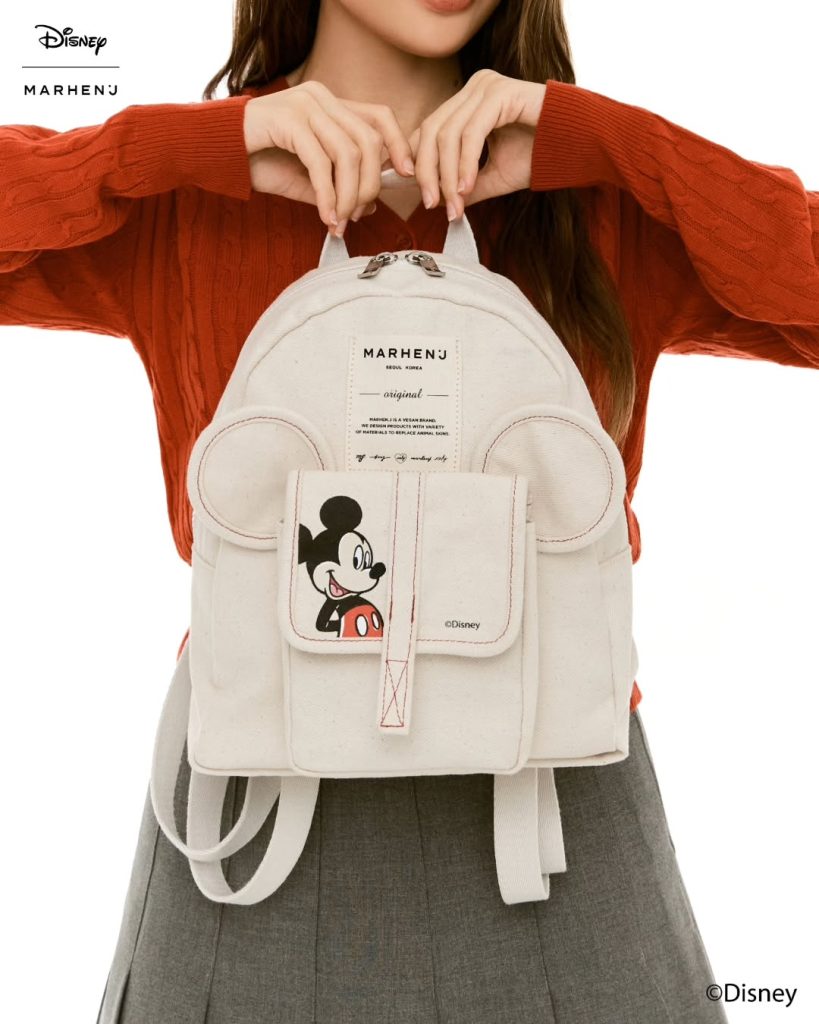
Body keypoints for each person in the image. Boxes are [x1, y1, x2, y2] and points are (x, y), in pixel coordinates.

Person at [2, 1, 817, 1021]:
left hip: (558, 809)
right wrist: (190, 146)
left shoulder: (594, 196)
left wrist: (613, 143)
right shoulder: (191, 193)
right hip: (255, 812)